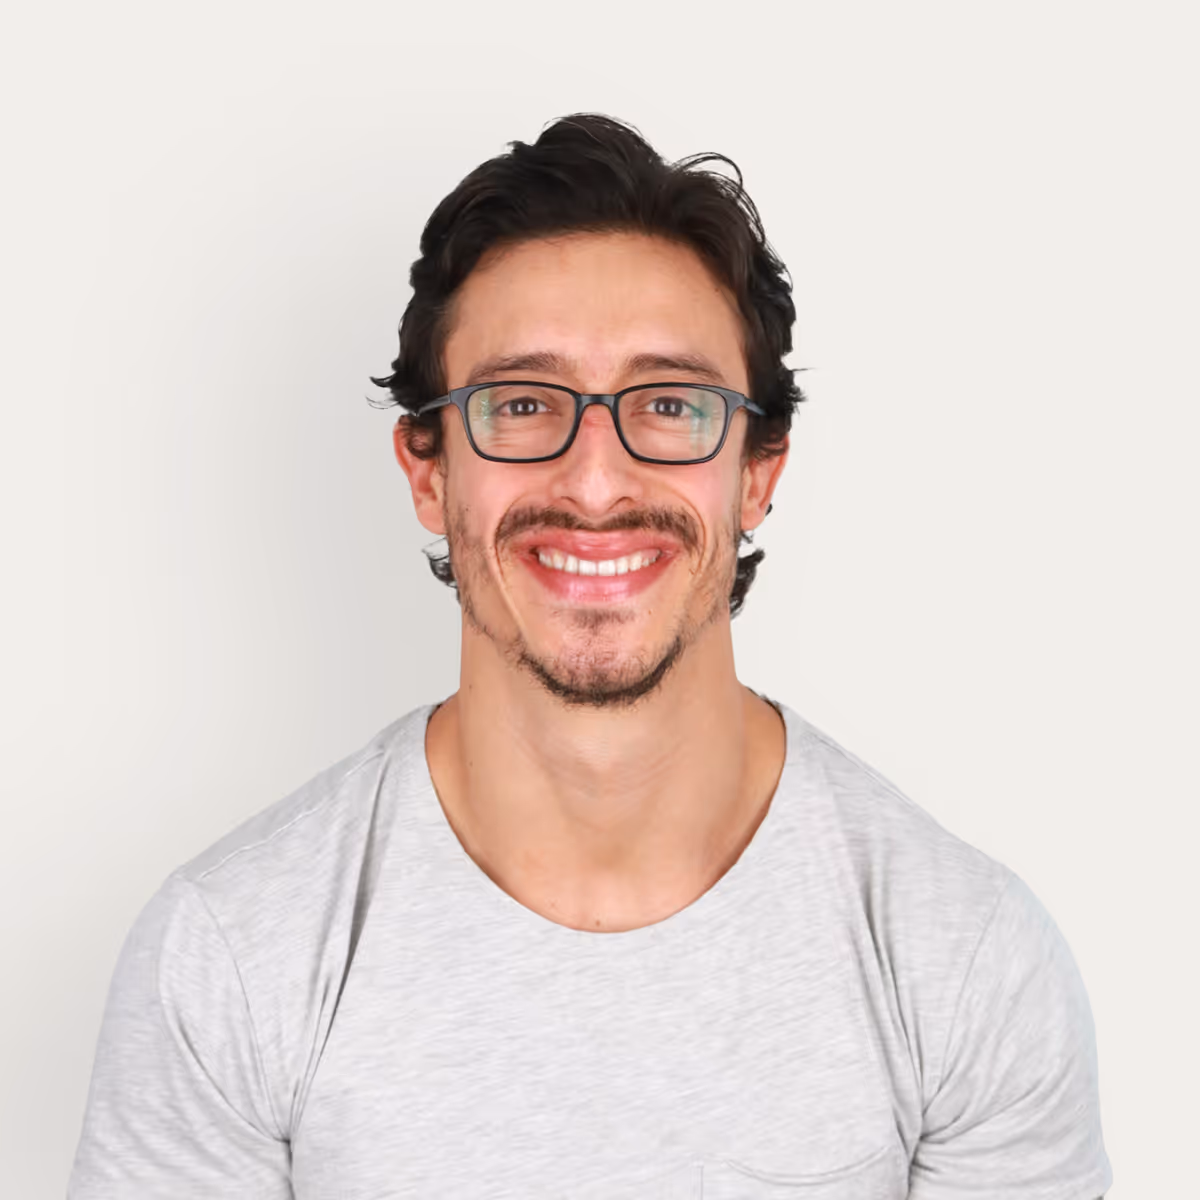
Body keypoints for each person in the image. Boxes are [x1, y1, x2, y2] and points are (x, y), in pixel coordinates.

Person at [68, 115, 1112, 1199]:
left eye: (670, 405)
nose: (599, 482)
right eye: (523, 405)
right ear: (427, 470)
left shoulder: (970, 961)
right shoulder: (231, 955)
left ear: (758, 471)